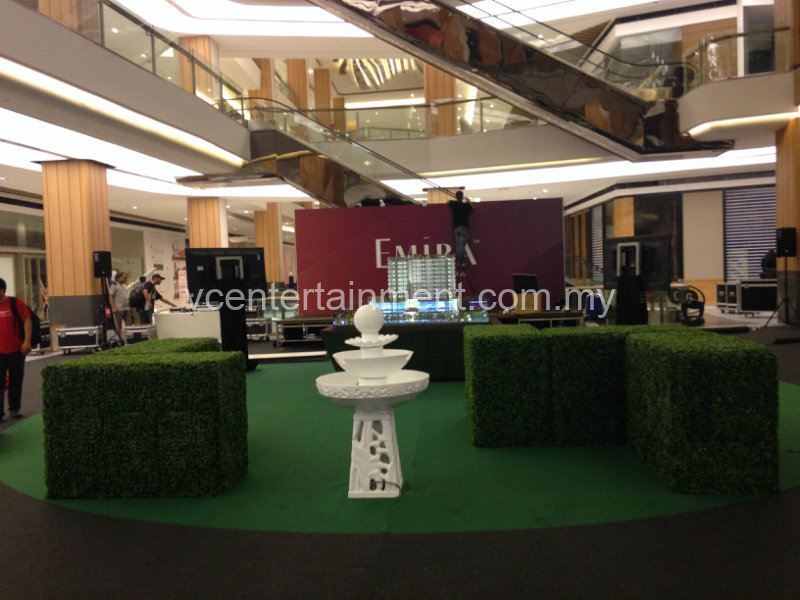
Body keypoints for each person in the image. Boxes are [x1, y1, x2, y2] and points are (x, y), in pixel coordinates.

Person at [0, 278, 32, 421]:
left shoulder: (15, 303)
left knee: (15, 381)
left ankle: (14, 409)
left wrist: (27, 341)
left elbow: (27, 320)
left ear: (1, 290)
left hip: (16, 350)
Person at [448, 190, 473, 268]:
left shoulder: (453, 204)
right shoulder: (466, 205)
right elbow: (472, 208)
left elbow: (448, 202)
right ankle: (461, 262)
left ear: (456, 196)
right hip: (464, 227)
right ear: (462, 196)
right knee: (461, 245)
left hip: (456, 228)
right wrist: (468, 200)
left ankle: (459, 262)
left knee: (458, 245)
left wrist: (458, 199)